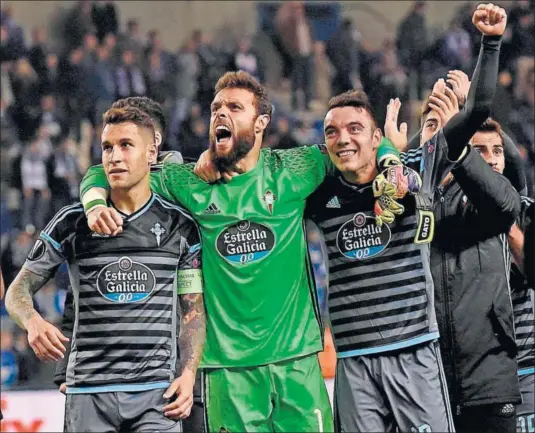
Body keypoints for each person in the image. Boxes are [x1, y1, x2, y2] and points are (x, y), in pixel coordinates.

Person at [77, 71, 408, 432]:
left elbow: (357, 151)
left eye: (235, 107)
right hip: (226, 370)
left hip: (296, 361)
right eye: (216, 108)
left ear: (261, 122)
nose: (221, 114)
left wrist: (391, 156)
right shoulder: (189, 181)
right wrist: (94, 205)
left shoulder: (294, 168)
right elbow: (104, 170)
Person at [5, 106, 206, 432]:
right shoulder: (72, 222)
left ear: (152, 151)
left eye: (126, 145)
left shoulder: (179, 226)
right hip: (88, 392)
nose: (114, 156)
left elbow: (192, 313)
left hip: (157, 394)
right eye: (107, 147)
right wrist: (32, 322)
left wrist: (187, 373)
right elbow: (17, 290)